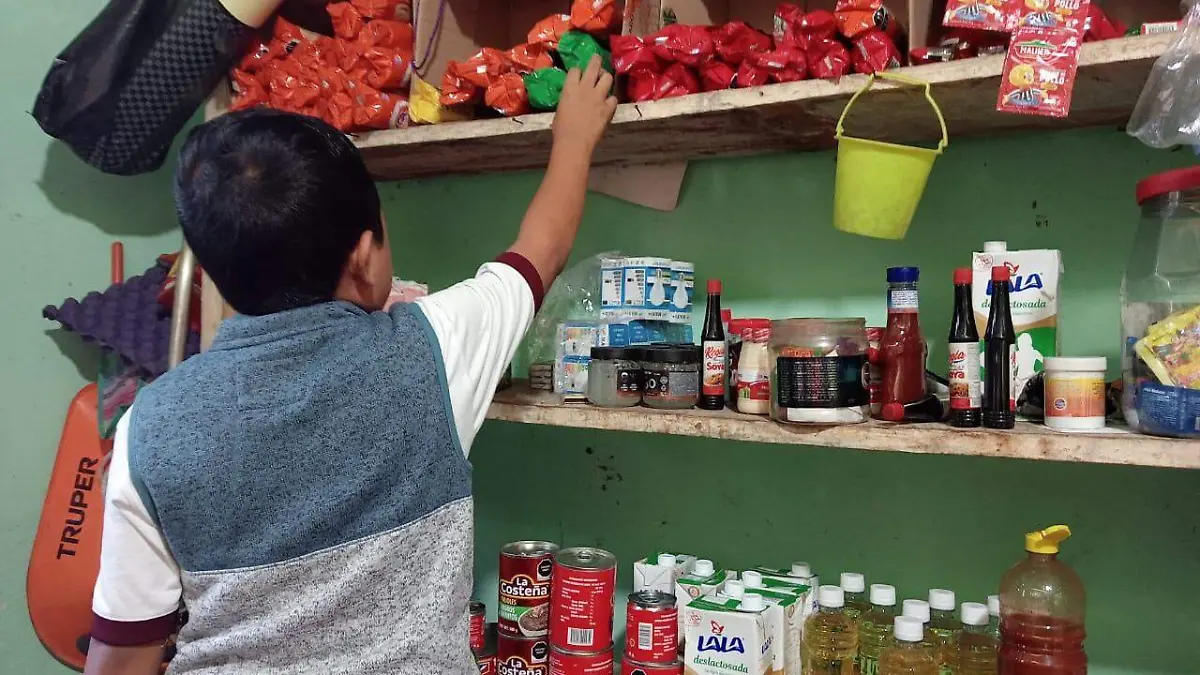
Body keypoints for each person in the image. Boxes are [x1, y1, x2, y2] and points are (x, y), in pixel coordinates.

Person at [82, 55, 617, 675]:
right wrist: (575, 139)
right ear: (365, 255)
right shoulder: (430, 351)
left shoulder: (148, 427)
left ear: (209, 271)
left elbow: (122, 656)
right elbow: (538, 255)